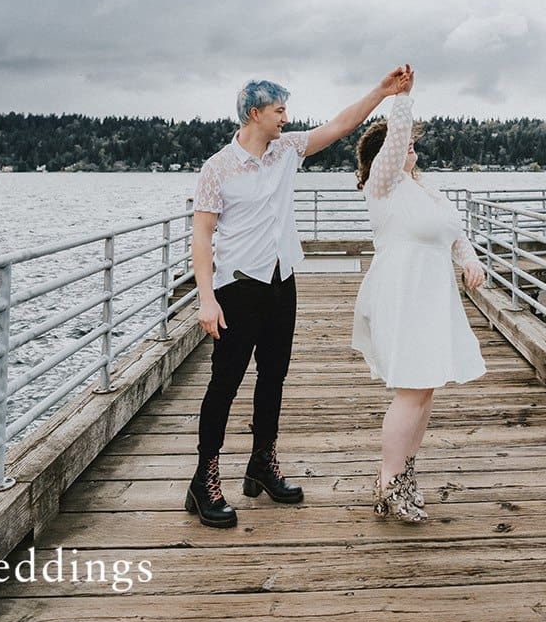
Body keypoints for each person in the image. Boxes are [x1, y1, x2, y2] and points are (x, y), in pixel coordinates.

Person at [186, 67, 413, 528]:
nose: (286, 118)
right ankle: (204, 479)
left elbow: (340, 125)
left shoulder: (287, 150)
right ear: (255, 114)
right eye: (279, 110)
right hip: (236, 288)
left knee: (273, 377)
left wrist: (383, 92)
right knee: (224, 384)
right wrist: (206, 299)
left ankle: (262, 463)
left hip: (280, 282)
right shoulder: (218, 168)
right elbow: (202, 237)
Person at [352, 70, 487, 523]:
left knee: (425, 389)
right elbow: (395, 141)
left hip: (432, 296)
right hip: (402, 293)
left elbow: (453, 232)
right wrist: (402, 100)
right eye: (404, 142)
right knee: (410, 390)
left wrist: (470, 260)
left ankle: (405, 473)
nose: (411, 146)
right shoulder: (383, 186)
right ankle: (388, 484)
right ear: (384, 156)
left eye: (411, 142)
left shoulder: (424, 190)